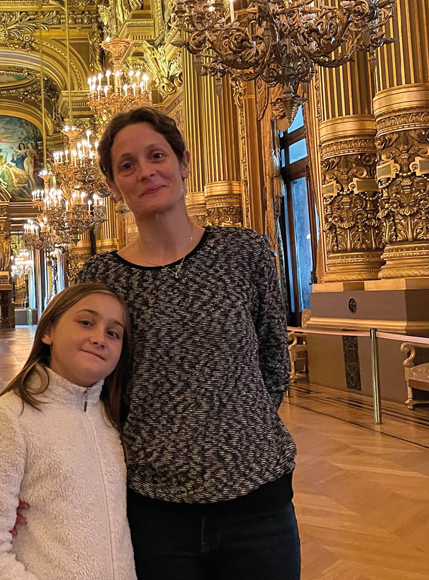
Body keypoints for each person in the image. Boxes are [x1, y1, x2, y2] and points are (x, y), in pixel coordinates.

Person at [77, 106, 299, 580]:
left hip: (257, 500)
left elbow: (273, 363)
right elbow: (85, 390)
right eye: (127, 165)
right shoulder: (101, 279)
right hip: (155, 510)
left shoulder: (246, 252)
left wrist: (235, 431)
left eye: (156, 155)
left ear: (184, 162)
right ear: (115, 188)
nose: (145, 172)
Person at [0, 283, 137, 580]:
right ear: (48, 331)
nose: (99, 338)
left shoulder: (111, 417)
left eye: (113, 333)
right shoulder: (8, 420)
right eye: (86, 322)